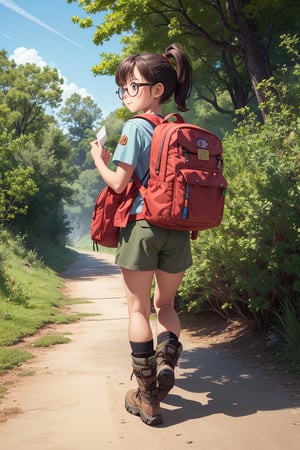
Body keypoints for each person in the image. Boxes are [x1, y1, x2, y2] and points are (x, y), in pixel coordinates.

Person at [90, 43, 193, 426]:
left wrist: (101, 159)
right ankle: (166, 364)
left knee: (138, 308)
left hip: (143, 226)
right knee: (165, 306)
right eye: (123, 88)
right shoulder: (178, 127)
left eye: (131, 86)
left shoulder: (135, 128)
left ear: (156, 91)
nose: (126, 95)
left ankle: (147, 393)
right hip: (178, 231)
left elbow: (119, 184)